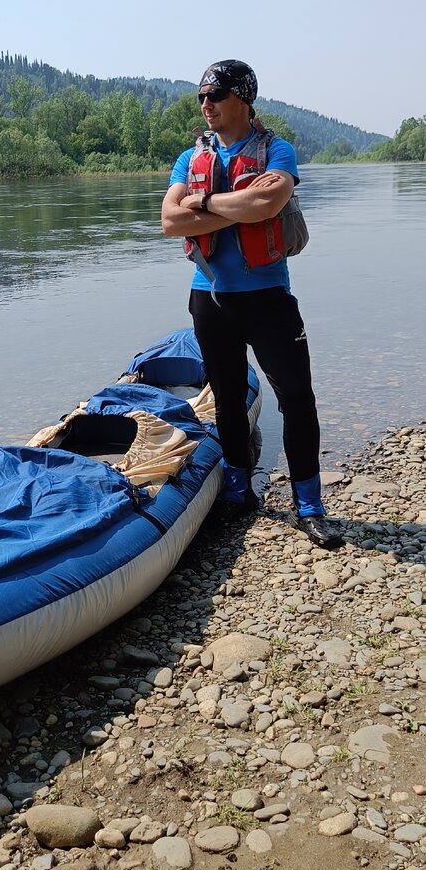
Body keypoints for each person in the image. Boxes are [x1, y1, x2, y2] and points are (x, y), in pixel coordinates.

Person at [161, 59, 342, 549]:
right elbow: (170, 222)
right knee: (226, 399)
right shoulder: (189, 158)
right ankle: (239, 492)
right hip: (210, 299)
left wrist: (202, 203)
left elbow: (267, 205)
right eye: (201, 97)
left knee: (297, 399)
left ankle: (310, 507)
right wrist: (236, 205)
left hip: (268, 300)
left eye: (215, 95)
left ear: (243, 99)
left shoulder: (277, 151)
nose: (206, 105)